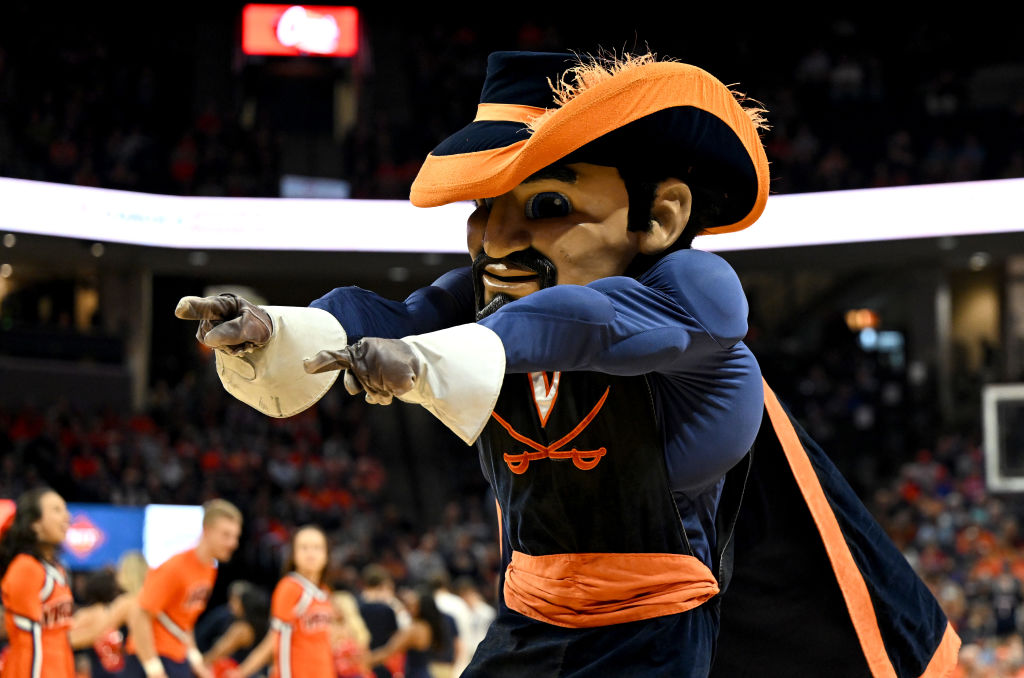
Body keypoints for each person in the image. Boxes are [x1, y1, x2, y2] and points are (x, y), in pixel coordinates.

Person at [176, 51, 960, 676]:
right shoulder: (477, 300)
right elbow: (387, 314)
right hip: (527, 613)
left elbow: (587, 322)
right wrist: (275, 331)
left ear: (661, 217)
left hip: (648, 623)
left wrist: (434, 359)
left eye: (547, 206)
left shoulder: (694, 290)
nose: (497, 239)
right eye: (484, 208)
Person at [125, 499, 242, 678]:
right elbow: (140, 615)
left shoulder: (209, 569)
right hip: (151, 656)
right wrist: (153, 668)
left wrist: (195, 658)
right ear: (206, 531)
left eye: (236, 536)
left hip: (177, 656)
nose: (233, 543)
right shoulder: (175, 567)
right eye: (226, 535)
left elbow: (184, 619)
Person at [227, 525, 334, 678]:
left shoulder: (324, 591)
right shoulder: (289, 587)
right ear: (293, 554)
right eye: (304, 547)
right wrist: (242, 671)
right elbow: (275, 638)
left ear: (326, 554)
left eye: (317, 548)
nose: (311, 553)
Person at [0, 487, 74, 678]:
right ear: (35, 524)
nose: (67, 517)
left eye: (65, 509)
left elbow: (62, 640)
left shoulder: (58, 570)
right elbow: (29, 643)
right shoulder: (25, 568)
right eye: (57, 510)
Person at [367, 588, 452, 678]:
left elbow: (387, 651)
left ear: (420, 608)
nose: (408, 609)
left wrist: (365, 661)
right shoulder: (428, 627)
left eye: (412, 606)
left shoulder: (413, 629)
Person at [199, 583, 268, 675]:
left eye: (234, 601)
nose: (230, 605)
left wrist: (198, 664)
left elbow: (217, 653)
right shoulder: (258, 625)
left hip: (238, 673)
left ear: (244, 603)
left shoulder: (241, 629)